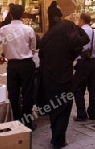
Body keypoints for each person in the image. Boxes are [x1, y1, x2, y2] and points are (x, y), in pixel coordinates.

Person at [38, 20, 89, 149]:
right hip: (64, 78)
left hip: (49, 78)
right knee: (64, 107)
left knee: (53, 107)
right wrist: (78, 28)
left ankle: (56, 135)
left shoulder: (48, 38)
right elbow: (85, 39)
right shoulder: (69, 43)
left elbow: (40, 54)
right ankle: (58, 139)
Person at [0, 4, 37, 130]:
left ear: (10, 15)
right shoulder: (28, 30)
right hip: (27, 64)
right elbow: (33, 48)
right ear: (22, 15)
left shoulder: (4, 30)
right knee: (28, 94)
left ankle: (16, 121)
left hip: (12, 65)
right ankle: (27, 122)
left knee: (13, 94)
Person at [72, 13, 95, 122]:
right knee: (93, 88)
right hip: (93, 64)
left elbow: (75, 49)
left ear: (81, 21)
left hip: (82, 63)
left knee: (77, 88)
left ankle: (81, 113)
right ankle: (93, 112)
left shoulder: (79, 33)